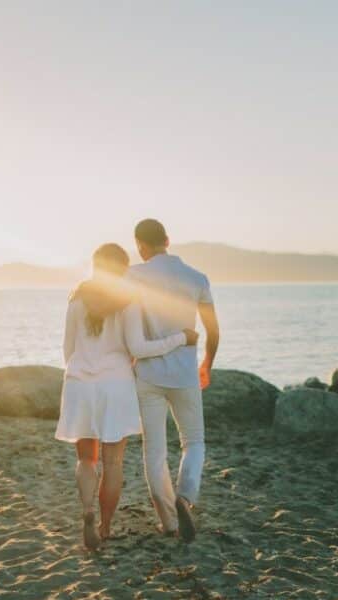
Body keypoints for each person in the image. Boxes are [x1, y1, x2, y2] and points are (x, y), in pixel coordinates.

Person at [55, 243, 199, 550]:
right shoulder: (127, 301)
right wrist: (180, 339)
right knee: (113, 462)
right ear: (121, 270)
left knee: (85, 459)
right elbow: (138, 349)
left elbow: (67, 350)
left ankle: (88, 511)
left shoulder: (76, 299)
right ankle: (106, 527)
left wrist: (82, 369)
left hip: (79, 383)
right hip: (115, 385)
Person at [129, 219, 220, 543]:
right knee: (193, 441)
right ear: (168, 240)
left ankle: (168, 522)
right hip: (183, 373)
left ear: (140, 244)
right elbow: (213, 330)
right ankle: (185, 498)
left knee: (154, 452)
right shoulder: (196, 278)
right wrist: (207, 363)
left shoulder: (132, 276)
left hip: (148, 373)